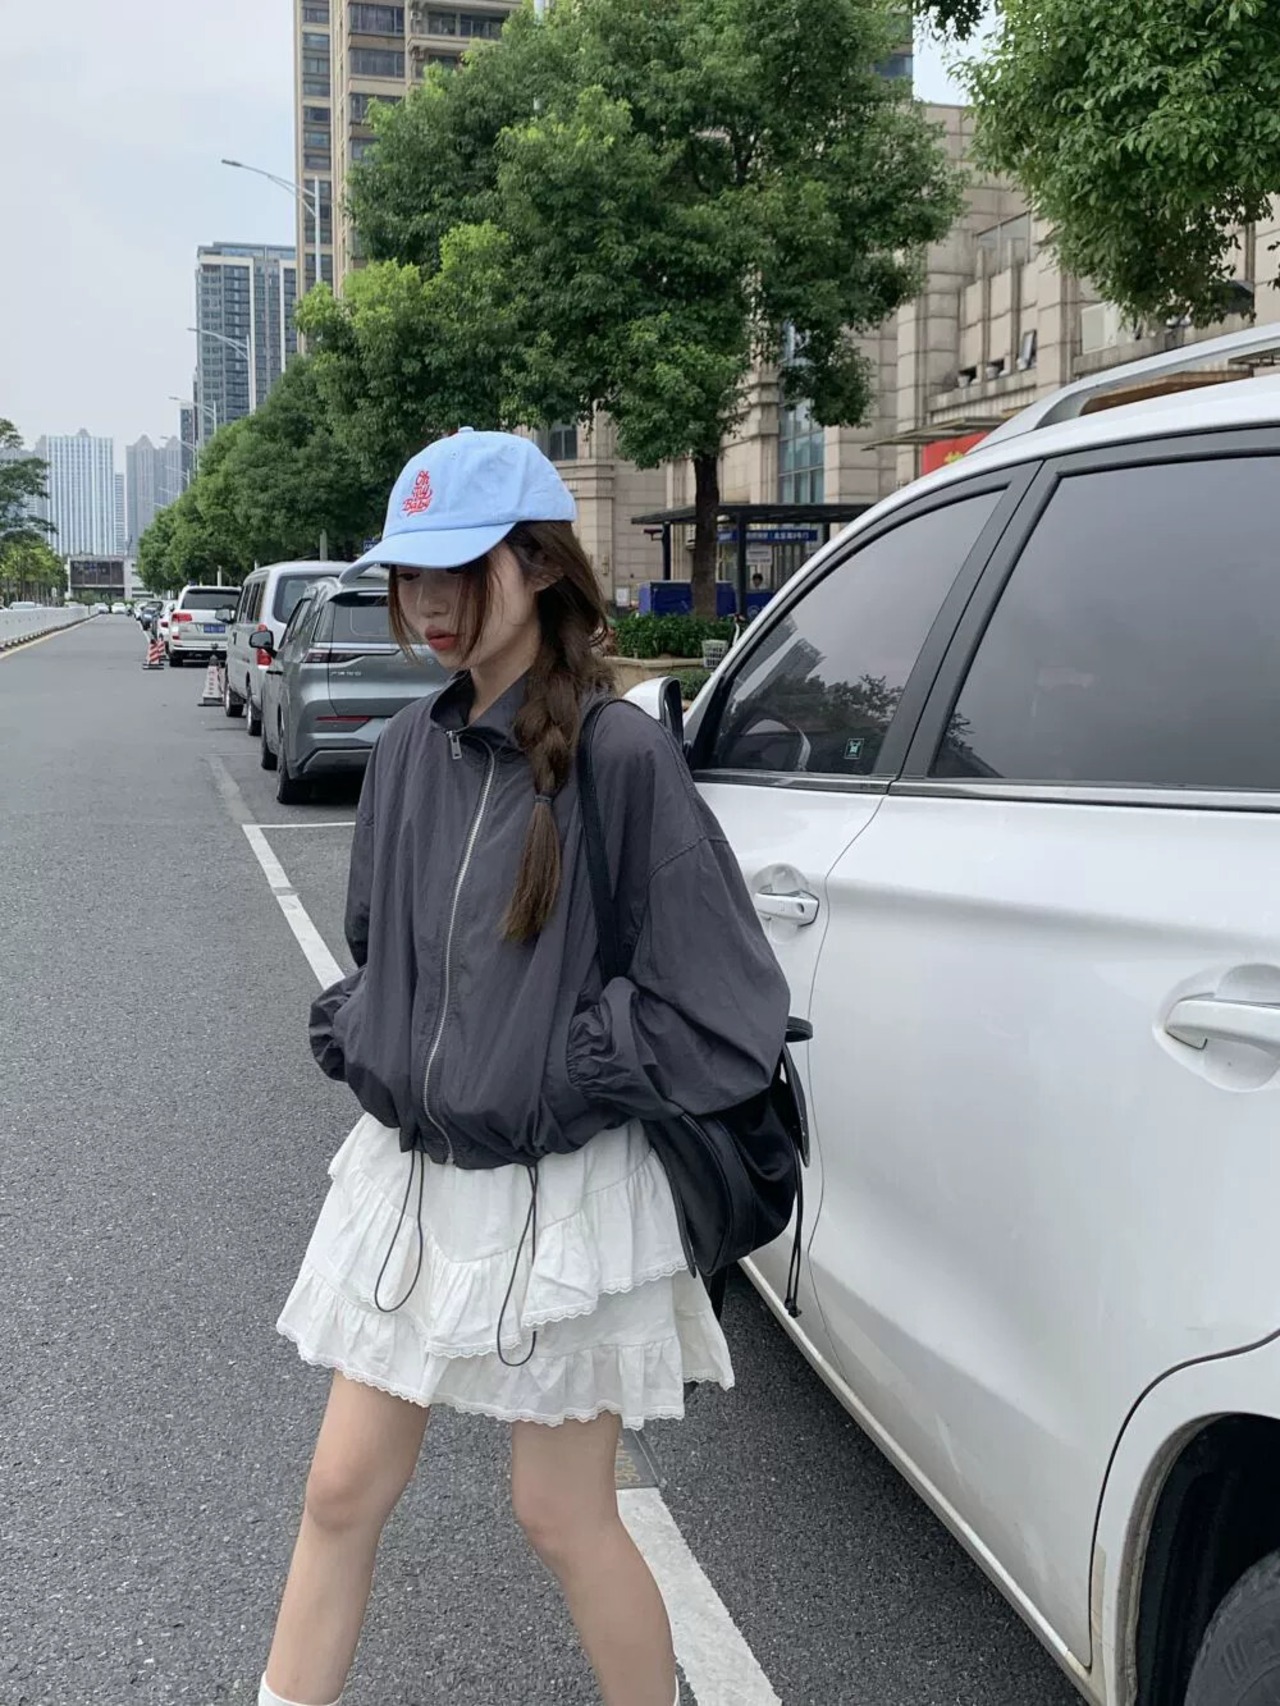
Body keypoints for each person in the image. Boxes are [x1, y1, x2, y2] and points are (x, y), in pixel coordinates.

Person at [259, 429, 790, 1706]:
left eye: (459, 568)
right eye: (409, 574)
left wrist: (554, 1068)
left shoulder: (620, 755)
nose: (429, 602)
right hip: (415, 1177)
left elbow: (723, 1008)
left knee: (560, 1513)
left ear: (541, 564)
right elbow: (382, 952)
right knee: (339, 1488)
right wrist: (378, 1035)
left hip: (563, 1189)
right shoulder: (407, 748)